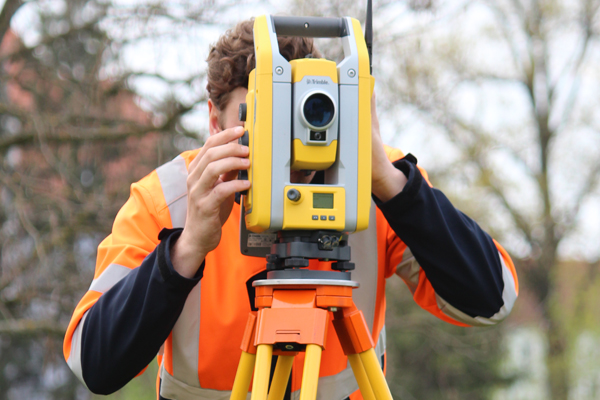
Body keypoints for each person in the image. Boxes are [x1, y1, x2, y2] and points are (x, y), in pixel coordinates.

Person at [63, 18, 518, 400]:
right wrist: (185, 250)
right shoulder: (168, 200)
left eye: (292, 119)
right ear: (213, 120)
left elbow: (493, 300)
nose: (281, 147)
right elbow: (93, 363)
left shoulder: (373, 186)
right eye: (256, 119)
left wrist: (394, 186)